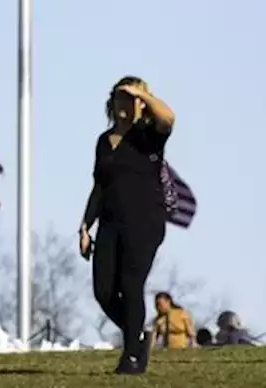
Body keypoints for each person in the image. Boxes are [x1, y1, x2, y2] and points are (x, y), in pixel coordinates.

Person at [78, 76, 175, 376]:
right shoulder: (104, 141)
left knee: (131, 285)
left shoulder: (148, 134)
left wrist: (142, 95)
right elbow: (100, 185)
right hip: (109, 221)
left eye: (131, 98)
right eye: (119, 97)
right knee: (104, 291)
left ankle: (132, 356)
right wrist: (85, 225)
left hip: (144, 221)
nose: (124, 103)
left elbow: (169, 119)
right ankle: (140, 336)